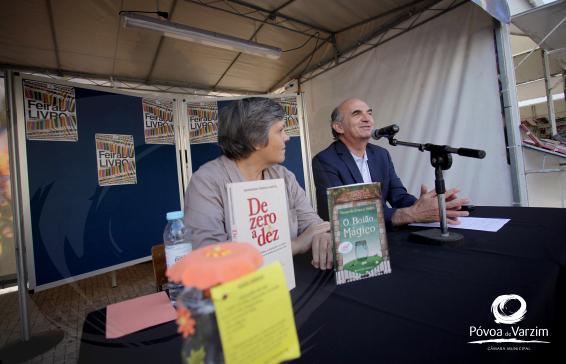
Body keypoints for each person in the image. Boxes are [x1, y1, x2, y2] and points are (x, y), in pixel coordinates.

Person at [184, 97, 333, 270]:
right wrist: (295, 246)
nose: (287, 137)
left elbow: (312, 224)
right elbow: (210, 255)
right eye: (280, 131)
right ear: (254, 139)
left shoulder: (284, 176)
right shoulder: (207, 181)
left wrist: (321, 236)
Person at [312, 98, 469, 228]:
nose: (367, 119)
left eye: (369, 113)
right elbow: (340, 213)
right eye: (356, 114)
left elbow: (398, 196)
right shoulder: (325, 160)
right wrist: (411, 214)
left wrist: (426, 206)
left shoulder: (381, 154)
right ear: (338, 127)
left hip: (387, 234)